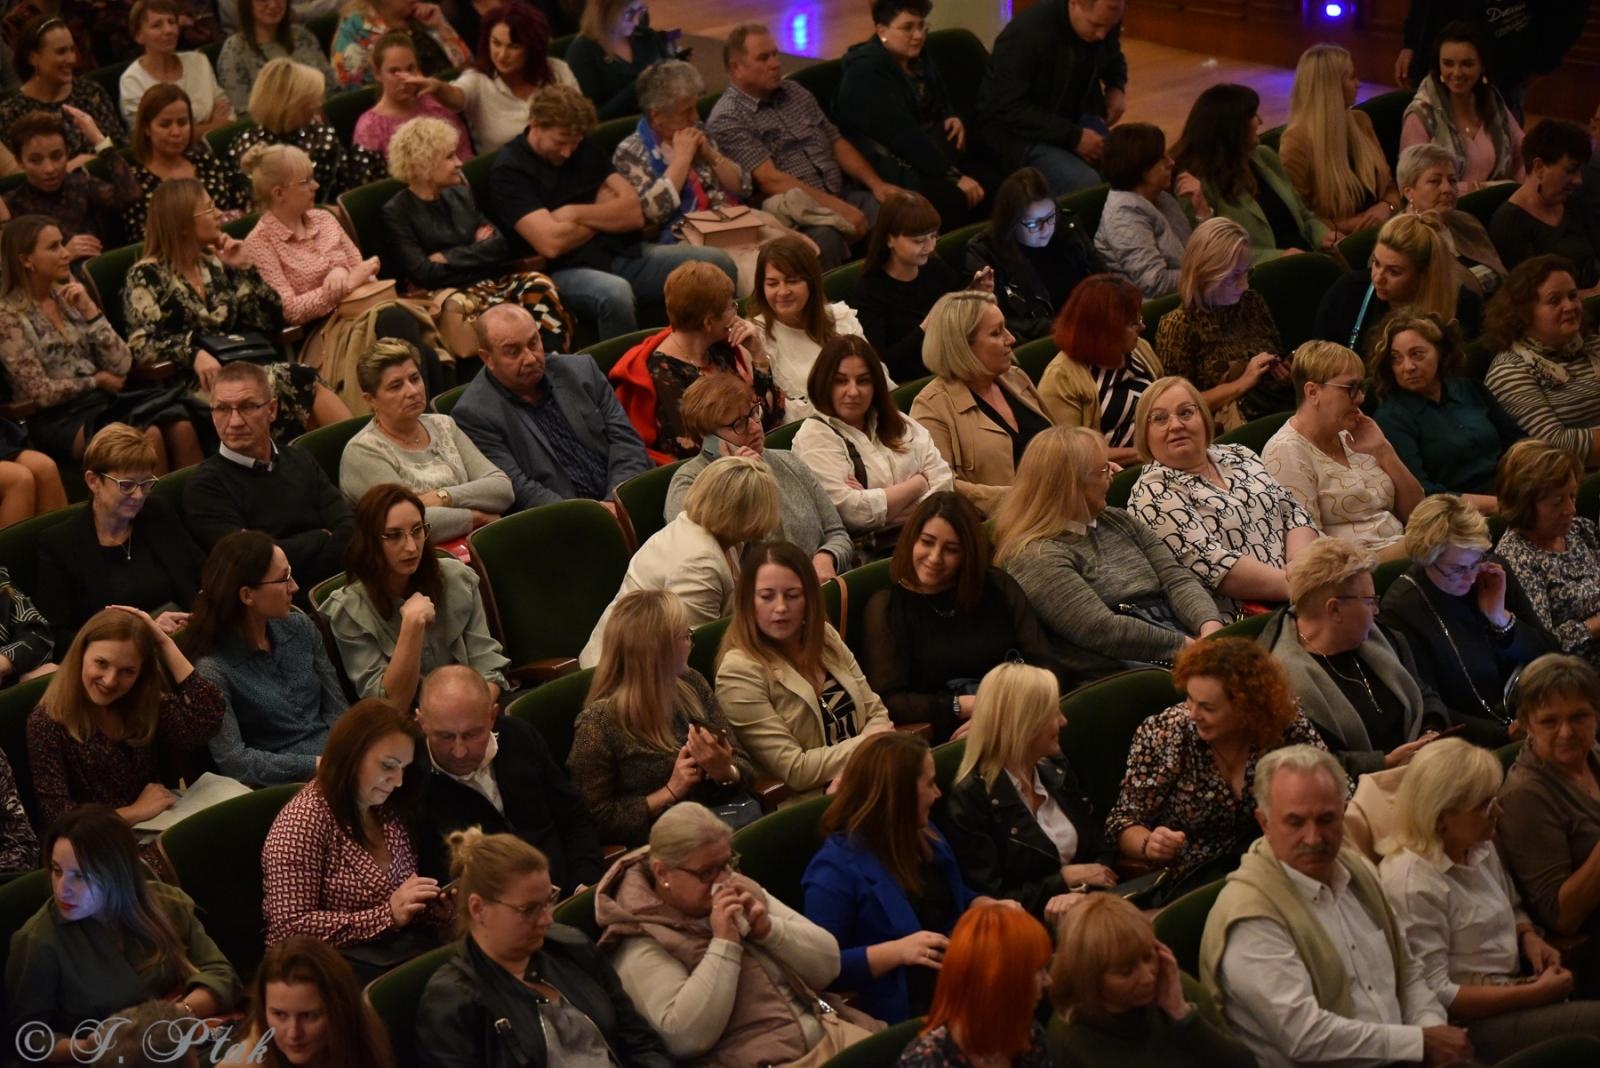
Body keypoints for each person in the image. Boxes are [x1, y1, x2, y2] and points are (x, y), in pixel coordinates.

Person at [1199, 745, 1468, 1068]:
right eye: (1295, 822)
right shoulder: (1250, 916)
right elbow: (1306, 1038)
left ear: (1343, 812)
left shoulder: (1357, 871)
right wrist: (1418, 1043)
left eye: (1326, 819)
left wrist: (1432, 1034)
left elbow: (1409, 976)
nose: (1313, 838)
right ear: (1265, 823)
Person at [1380, 737, 1600, 1062]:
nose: (1497, 811)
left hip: (1514, 986)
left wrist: (1527, 936)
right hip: (1472, 1024)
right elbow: (1435, 992)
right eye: (1484, 805)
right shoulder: (1413, 883)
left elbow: (1512, 903)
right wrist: (1531, 995)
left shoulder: (1478, 845)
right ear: (1441, 817)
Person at [593, 801, 847, 1064]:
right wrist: (724, 944)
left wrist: (768, 930)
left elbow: (829, 965)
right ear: (662, 873)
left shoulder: (738, 886)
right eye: (706, 873)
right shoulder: (636, 932)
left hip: (829, 1034)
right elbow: (682, 1037)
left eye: (726, 864)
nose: (722, 881)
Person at [490, 84, 736, 340]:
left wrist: (573, 213)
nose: (568, 152)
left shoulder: (582, 147)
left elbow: (633, 214)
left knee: (718, 263)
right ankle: (628, 375)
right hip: (562, 271)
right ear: (535, 124)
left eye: (573, 143)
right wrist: (606, 212)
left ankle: (720, 346)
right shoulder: (509, 171)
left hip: (620, 252)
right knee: (615, 293)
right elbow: (551, 243)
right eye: (560, 142)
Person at [415, 828, 673, 1068]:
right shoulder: (451, 1003)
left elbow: (639, 1041)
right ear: (478, 908)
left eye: (548, 901)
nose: (547, 920)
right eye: (529, 910)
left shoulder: (571, 947)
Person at [3, 806, 240, 1059]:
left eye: (80, 876)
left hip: (181, 1042)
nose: (62, 889)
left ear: (117, 873)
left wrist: (171, 1017)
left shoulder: (166, 903)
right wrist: (86, 1048)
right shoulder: (38, 940)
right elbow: (28, 1038)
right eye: (57, 871)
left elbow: (223, 976)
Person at [995, 426, 1225, 678]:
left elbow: (1176, 578)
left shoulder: (1117, 519)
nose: (1113, 474)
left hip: (1179, 640)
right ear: (1073, 485)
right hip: (1131, 670)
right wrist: (1190, 648)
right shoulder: (1034, 555)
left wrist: (1210, 628)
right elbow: (1102, 630)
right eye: (1103, 469)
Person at [1107, 638, 1333, 884]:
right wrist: (1149, 844)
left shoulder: (1281, 723)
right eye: (1190, 699)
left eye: (1208, 708)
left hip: (1273, 862)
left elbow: (1333, 787)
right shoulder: (1166, 733)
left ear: (1247, 709)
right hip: (1193, 878)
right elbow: (1122, 821)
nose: (1193, 714)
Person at [239, 141, 445, 409]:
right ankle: (425, 417)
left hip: (367, 311)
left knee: (425, 353)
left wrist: (344, 276)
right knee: (402, 328)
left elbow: (367, 274)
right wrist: (341, 285)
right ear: (279, 193)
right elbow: (290, 309)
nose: (315, 186)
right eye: (306, 181)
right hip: (324, 334)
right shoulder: (259, 243)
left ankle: (430, 420)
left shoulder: (324, 219)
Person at [122, 179, 326, 444]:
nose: (219, 214)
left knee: (299, 379)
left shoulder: (215, 263)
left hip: (244, 367)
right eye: (208, 209)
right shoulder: (145, 275)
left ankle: (335, 454)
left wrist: (244, 268)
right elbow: (141, 344)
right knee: (295, 379)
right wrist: (193, 353)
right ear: (183, 223)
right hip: (190, 383)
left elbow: (269, 319)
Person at [262, 698, 449, 983]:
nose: (398, 780)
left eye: (404, 769)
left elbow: (400, 900)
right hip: (324, 974)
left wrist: (429, 907)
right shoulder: (302, 822)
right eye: (388, 766)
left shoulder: (389, 806)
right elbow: (289, 930)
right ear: (352, 755)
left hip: (395, 952)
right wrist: (386, 915)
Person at [0, 215, 193, 481]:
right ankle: (154, 518)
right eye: (54, 247)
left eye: (62, 244)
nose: (66, 253)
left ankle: (197, 514)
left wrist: (91, 312)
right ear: (25, 260)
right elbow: (40, 392)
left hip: (106, 403)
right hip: (59, 418)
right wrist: (96, 380)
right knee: (147, 436)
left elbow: (123, 363)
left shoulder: (71, 297)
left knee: (181, 425)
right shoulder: (8, 316)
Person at [802, 730, 975, 1023]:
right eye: (930, 784)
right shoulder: (834, 871)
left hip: (957, 971)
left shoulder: (923, 833)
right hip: (907, 1004)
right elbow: (820, 967)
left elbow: (944, 897)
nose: (938, 794)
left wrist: (979, 902)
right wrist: (896, 952)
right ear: (899, 795)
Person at [860, 492, 1061, 741]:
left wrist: (998, 712)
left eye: (951, 550)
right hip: (952, 730)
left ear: (967, 553)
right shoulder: (887, 607)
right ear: (911, 540)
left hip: (1018, 714)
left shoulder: (995, 586)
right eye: (927, 542)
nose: (934, 558)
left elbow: (1044, 662)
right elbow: (890, 701)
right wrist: (964, 705)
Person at [569, 590, 757, 847]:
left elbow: (743, 765)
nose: (692, 641)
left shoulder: (691, 682)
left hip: (721, 823)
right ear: (658, 651)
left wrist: (724, 770)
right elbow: (594, 820)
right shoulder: (598, 724)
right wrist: (670, 791)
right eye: (684, 635)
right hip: (663, 847)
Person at [707, 23, 901, 270]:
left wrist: (877, 185)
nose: (776, 63)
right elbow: (770, 180)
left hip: (840, 192)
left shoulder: (794, 92)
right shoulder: (728, 117)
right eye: (763, 58)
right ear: (737, 68)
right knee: (825, 242)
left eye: (775, 54)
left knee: (898, 214)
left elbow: (835, 141)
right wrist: (838, 208)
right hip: (797, 216)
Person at [610, 59, 805, 300]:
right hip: (686, 237)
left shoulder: (699, 130)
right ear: (657, 116)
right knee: (760, 275)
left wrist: (710, 155)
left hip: (732, 223)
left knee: (794, 255)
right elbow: (652, 213)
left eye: (694, 107)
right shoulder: (630, 151)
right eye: (686, 111)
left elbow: (742, 187)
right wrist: (681, 160)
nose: (695, 117)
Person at [1259, 537, 1451, 774]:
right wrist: (1384, 764)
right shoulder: (1284, 682)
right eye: (1370, 601)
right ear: (1334, 609)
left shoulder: (1381, 637)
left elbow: (1424, 693)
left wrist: (1430, 732)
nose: (1376, 610)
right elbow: (1308, 765)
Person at [716, 540, 894, 797]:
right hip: (811, 802)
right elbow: (796, 769)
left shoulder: (825, 638)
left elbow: (876, 712)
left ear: (809, 598)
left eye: (792, 595)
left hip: (868, 779)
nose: (780, 607)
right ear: (747, 602)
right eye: (767, 596)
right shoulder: (738, 673)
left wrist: (852, 769)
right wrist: (868, 744)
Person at [382, 118, 576, 353]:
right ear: (424, 164)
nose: (459, 163)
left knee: (538, 284)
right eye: (449, 157)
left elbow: (499, 245)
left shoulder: (461, 192)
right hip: (450, 297)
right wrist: (477, 251)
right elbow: (424, 272)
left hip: (489, 284)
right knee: (488, 309)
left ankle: (553, 359)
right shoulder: (398, 211)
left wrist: (448, 257)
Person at [1127, 376, 1316, 615]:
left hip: (1302, 589)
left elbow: (1293, 513)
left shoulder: (1238, 454)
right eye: (1160, 419)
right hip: (1246, 619)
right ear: (1145, 433)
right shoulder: (1151, 493)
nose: (1175, 425)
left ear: (1204, 418)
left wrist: (1302, 567)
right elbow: (1216, 566)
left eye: (1185, 413)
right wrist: (1303, 587)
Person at [25, 605, 224, 829]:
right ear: (80, 655)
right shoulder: (47, 722)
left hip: (162, 821)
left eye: (127, 671)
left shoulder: (140, 700)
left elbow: (206, 719)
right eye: (101, 663)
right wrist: (135, 812)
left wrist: (163, 642)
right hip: (102, 843)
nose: (110, 681)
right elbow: (60, 820)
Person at [945, 663, 1114, 921]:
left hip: (1092, 908)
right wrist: (1063, 880)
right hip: (1030, 931)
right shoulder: (971, 797)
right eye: (1052, 713)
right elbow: (992, 900)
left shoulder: (1056, 768)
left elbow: (1101, 853)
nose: (1063, 721)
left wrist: (1080, 891)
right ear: (1023, 721)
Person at [414, 664, 605, 892]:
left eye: (472, 734)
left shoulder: (520, 736)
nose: (459, 751)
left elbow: (574, 818)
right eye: (445, 737)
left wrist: (585, 880)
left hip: (567, 890)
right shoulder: (413, 783)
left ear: (492, 716)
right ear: (421, 724)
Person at [578, 455, 779, 669]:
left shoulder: (717, 533)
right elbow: (695, 653)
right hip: (628, 676)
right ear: (742, 514)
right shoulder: (700, 562)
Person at [182, 531, 346, 786]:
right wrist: (316, 765)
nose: (295, 587)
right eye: (284, 579)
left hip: (340, 760)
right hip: (285, 787)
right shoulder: (213, 669)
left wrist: (348, 752)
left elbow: (337, 707)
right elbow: (235, 762)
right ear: (247, 595)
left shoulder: (300, 626)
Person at [324, 483, 509, 709]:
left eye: (417, 530)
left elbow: (488, 668)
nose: (411, 547)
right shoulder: (349, 609)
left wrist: (468, 719)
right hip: (409, 728)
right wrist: (412, 626)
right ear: (369, 542)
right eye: (394, 536)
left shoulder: (456, 577)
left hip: (474, 710)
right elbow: (390, 705)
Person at [453, 302, 650, 510]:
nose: (529, 358)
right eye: (513, 352)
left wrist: (615, 501)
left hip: (625, 496)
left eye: (533, 343)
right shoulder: (474, 414)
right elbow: (519, 489)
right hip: (563, 522)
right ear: (487, 358)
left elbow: (626, 441)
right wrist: (595, 515)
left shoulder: (581, 371)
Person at [1380, 494, 1552, 727]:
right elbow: (1429, 707)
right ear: (1426, 559)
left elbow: (1550, 655)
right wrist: (1504, 734)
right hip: (1476, 734)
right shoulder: (1403, 608)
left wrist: (1500, 619)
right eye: (1458, 569)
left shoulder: (1492, 572)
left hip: (1534, 708)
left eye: (1475, 561)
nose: (1471, 577)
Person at [183, 361, 355, 592]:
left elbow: (348, 527)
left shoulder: (300, 458)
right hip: (280, 607)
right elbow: (255, 564)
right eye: (222, 409)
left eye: (247, 407)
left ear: (272, 410)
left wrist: (288, 554)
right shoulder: (205, 487)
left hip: (343, 582)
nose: (234, 422)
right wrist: (320, 537)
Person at [662, 373, 852, 580]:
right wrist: (738, 480)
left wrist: (826, 557)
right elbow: (700, 558)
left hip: (818, 586)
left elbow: (837, 533)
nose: (754, 427)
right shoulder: (689, 482)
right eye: (738, 423)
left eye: (754, 413)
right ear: (706, 439)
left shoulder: (789, 461)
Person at [35, 424, 204, 655]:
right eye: (126, 485)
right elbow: (57, 637)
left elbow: (199, 573)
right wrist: (144, 633)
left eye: (146, 484)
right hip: (121, 663)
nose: (138, 495)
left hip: (187, 643)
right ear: (93, 481)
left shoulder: (158, 513)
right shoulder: (61, 545)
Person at [1047, 894, 1256, 1067]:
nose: (1148, 977)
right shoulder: (1069, 1038)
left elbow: (1244, 1065)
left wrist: (1182, 1015)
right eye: (1126, 972)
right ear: (1088, 976)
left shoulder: (1173, 985)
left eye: (1148, 957)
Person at [607, 258, 782, 464]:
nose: (736, 312)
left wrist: (758, 354)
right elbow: (699, 454)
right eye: (730, 307)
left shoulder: (718, 350)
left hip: (753, 457)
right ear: (708, 322)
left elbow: (767, 418)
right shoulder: (664, 377)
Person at [339, 340, 513, 542]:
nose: (412, 391)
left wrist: (444, 496)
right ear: (370, 400)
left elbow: (502, 489)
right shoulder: (363, 452)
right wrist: (478, 516)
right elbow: (410, 525)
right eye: (396, 386)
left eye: (415, 378)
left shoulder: (443, 425)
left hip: (477, 541)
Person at [1265, 339, 1424, 558]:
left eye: (1361, 388)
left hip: (1403, 547)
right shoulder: (1286, 451)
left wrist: (1383, 450)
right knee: (1454, 539)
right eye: (1350, 388)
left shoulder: (1352, 432)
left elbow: (1418, 513)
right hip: (1358, 570)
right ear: (1312, 392)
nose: (1360, 398)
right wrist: (1408, 548)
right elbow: (1310, 553)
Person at [834, 0, 985, 227]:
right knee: (956, 197)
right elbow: (903, 135)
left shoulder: (919, 56)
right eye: (908, 27)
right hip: (892, 167)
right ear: (881, 31)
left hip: (928, 155)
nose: (918, 35)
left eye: (922, 26)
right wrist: (953, 176)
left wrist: (951, 116)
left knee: (992, 178)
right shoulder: (865, 72)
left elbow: (940, 97)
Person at [791, 334, 951, 536]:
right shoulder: (813, 436)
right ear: (824, 383)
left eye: (863, 381)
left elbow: (944, 483)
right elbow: (853, 513)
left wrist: (880, 508)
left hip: (925, 536)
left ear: (875, 385)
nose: (853, 391)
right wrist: (918, 484)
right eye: (840, 381)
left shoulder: (900, 422)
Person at [910, 289, 1051, 517]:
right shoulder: (931, 406)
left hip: (1061, 508)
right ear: (962, 346)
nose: (1011, 339)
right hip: (1008, 526)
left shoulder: (1016, 378)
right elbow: (941, 486)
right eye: (996, 333)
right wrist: (1020, 499)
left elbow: (1059, 441)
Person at [1371, 313, 1523, 509]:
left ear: (1440, 351)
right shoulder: (1391, 418)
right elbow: (1423, 492)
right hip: (1459, 513)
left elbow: (1518, 442)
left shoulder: (1470, 390)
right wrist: (1499, 505)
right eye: (1396, 359)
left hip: (1512, 489)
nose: (1407, 367)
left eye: (1417, 354)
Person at [1495, 653, 1600, 938]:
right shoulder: (1524, 795)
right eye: (1550, 722)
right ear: (1527, 724)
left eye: (1579, 717)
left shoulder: (1593, 754)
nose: (1566, 732)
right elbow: (1561, 917)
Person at [975, 0, 1126, 196]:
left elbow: (1113, 56)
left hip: (1071, 119)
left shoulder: (1104, 18)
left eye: (1111, 26)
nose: (1102, 35)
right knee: (1086, 184)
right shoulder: (1025, 34)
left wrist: (1116, 86)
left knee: (1127, 165)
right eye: (1095, 25)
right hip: (1018, 136)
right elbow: (1006, 106)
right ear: (1074, 4)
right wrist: (1074, 137)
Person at [1175, 83, 1338, 264]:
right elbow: (1216, 253)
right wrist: (1278, 257)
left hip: (1309, 259)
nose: (1260, 121)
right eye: (1253, 115)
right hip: (1264, 276)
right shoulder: (1197, 185)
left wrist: (1324, 235)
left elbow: (1304, 216)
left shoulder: (1265, 156)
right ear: (1232, 127)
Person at [1153, 216, 1295, 424]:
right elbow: (1178, 405)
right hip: (1229, 426)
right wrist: (1243, 381)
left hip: (1274, 408)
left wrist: (1282, 369)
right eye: (1233, 276)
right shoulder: (1178, 326)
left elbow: (1274, 353)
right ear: (1205, 274)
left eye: (1246, 272)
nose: (1244, 284)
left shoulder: (1251, 302)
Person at [897, 901, 1052, 1067]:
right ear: (999, 981)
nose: (1049, 980)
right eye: (1039, 970)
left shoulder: (1026, 1031)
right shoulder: (926, 1061)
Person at [1037, 273, 1163, 466]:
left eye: (1140, 318)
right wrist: (1143, 452)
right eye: (1133, 323)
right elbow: (1070, 454)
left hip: (1160, 455)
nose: (1143, 327)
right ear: (1105, 331)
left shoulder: (1139, 349)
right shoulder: (1061, 378)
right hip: (1114, 476)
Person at [1484, 256, 1600, 465]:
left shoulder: (1593, 345)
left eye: (1573, 296)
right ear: (1523, 312)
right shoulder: (1509, 371)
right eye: (1555, 301)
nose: (1570, 306)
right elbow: (1556, 447)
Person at [1494, 438, 1600, 666]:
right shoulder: (1516, 559)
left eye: (1572, 496)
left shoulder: (1578, 530)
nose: (1571, 510)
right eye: (1557, 502)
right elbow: (1543, 645)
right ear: (1524, 504)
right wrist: (1594, 626)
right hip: (1576, 671)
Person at [1313, 212, 1481, 355]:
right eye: (1377, 264)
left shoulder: (1462, 306)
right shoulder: (1349, 291)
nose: (1378, 277)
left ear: (1423, 275)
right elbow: (1321, 360)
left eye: (1394, 272)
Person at [970, 166, 1104, 343]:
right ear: (1012, 222)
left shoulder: (1067, 227)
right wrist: (1050, 328)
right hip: (1042, 342)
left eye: (1050, 217)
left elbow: (1101, 275)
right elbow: (996, 322)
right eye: (1033, 224)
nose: (1045, 229)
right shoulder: (986, 252)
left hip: (1090, 327)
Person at [1280, 44, 1401, 237]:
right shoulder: (1296, 141)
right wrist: (1346, 225)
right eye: (1352, 77)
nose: (1359, 83)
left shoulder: (1361, 121)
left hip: (1384, 228)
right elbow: (1298, 217)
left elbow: (1390, 186)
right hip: (1340, 241)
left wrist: (1387, 206)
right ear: (1331, 86)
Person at [231, 58, 387, 200]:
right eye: (311, 99)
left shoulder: (321, 136)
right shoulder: (248, 147)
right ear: (290, 105)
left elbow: (350, 190)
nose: (318, 105)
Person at [746, 236, 867, 419]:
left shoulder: (842, 319)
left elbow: (878, 380)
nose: (783, 291)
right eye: (772, 283)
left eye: (793, 281)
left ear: (811, 283)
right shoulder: (756, 339)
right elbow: (775, 416)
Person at [1400, 20, 1525, 197]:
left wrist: (1521, 189)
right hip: (1442, 214)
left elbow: (1524, 152)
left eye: (1467, 64)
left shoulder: (1492, 101)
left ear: (1482, 65)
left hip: (1497, 207)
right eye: (1448, 64)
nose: (1457, 73)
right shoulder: (1420, 116)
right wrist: (1485, 189)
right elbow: (1416, 184)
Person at [852, 191, 966, 382]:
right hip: (911, 380)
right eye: (919, 241)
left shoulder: (936, 268)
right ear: (889, 239)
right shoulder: (870, 289)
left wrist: (976, 297)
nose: (930, 247)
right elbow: (883, 361)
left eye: (933, 236)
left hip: (951, 366)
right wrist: (925, 328)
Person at [1, 108, 140, 260]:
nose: (49, 169)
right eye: (36, 160)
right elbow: (17, 267)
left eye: (57, 156)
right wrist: (63, 254)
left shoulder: (80, 184)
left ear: (67, 152)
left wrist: (100, 141)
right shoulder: (12, 205)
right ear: (20, 162)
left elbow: (130, 195)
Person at [243, 937, 396, 1068]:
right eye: (279, 1015)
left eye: (309, 1016)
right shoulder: (251, 1055)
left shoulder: (365, 1048)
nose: (293, 1033)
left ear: (339, 1009)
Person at [124, 84, 251, 243]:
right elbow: (146, 241)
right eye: (165, 124)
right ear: (147, 129)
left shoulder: (206, 162)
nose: (176, 132)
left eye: (182, 123)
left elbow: (245, 210)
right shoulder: (136, 184)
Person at [1095, 123, 1206, 299]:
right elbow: (1156, 283)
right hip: (1158, 314)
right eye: (1162, 158)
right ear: (1142, 169)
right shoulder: (1124, 217)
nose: (1172, 162)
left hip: (1189, 296)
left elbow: (1195, 251)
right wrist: (1208, 273)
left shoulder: (1162, 197)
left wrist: (1202, 211)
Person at [452, 0, 577, 154]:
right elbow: (455, 96)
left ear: (532, 47)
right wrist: (437, 88)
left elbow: (580, 122)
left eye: (513, 46)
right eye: (496, 44)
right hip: (510, 173)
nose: (502, 55)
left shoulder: (558, 70)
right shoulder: (476, 79)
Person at [1491, 119, 1598, 291]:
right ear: (1539, 167)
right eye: (1570, 170)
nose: (1579, 180)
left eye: (1580, 171)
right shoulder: (1509, 222)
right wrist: (1593, 295)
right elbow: (1530, 298)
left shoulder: (1573, 203)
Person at [0, 16, 125, 162]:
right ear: (33, 58)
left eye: (72, 50)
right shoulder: (10, 113)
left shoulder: (91, 93)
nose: (72, 59)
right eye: (61, 52)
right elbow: (16, 176)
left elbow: (121, 148)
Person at [1396, 142, 1509, 297]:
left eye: (1452, 180)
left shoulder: (1467, 223)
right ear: (1409, 192)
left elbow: (1503, 275)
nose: (1447, 189)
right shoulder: (1399, 240)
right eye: (1435, 181)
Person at [353, 31, 470, 162]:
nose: (405, 78)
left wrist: (439, 88)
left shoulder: (436, 103)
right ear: (377, 73)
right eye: (394, 71)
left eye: (410, 69)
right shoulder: (370, 127)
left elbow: (464, 154)